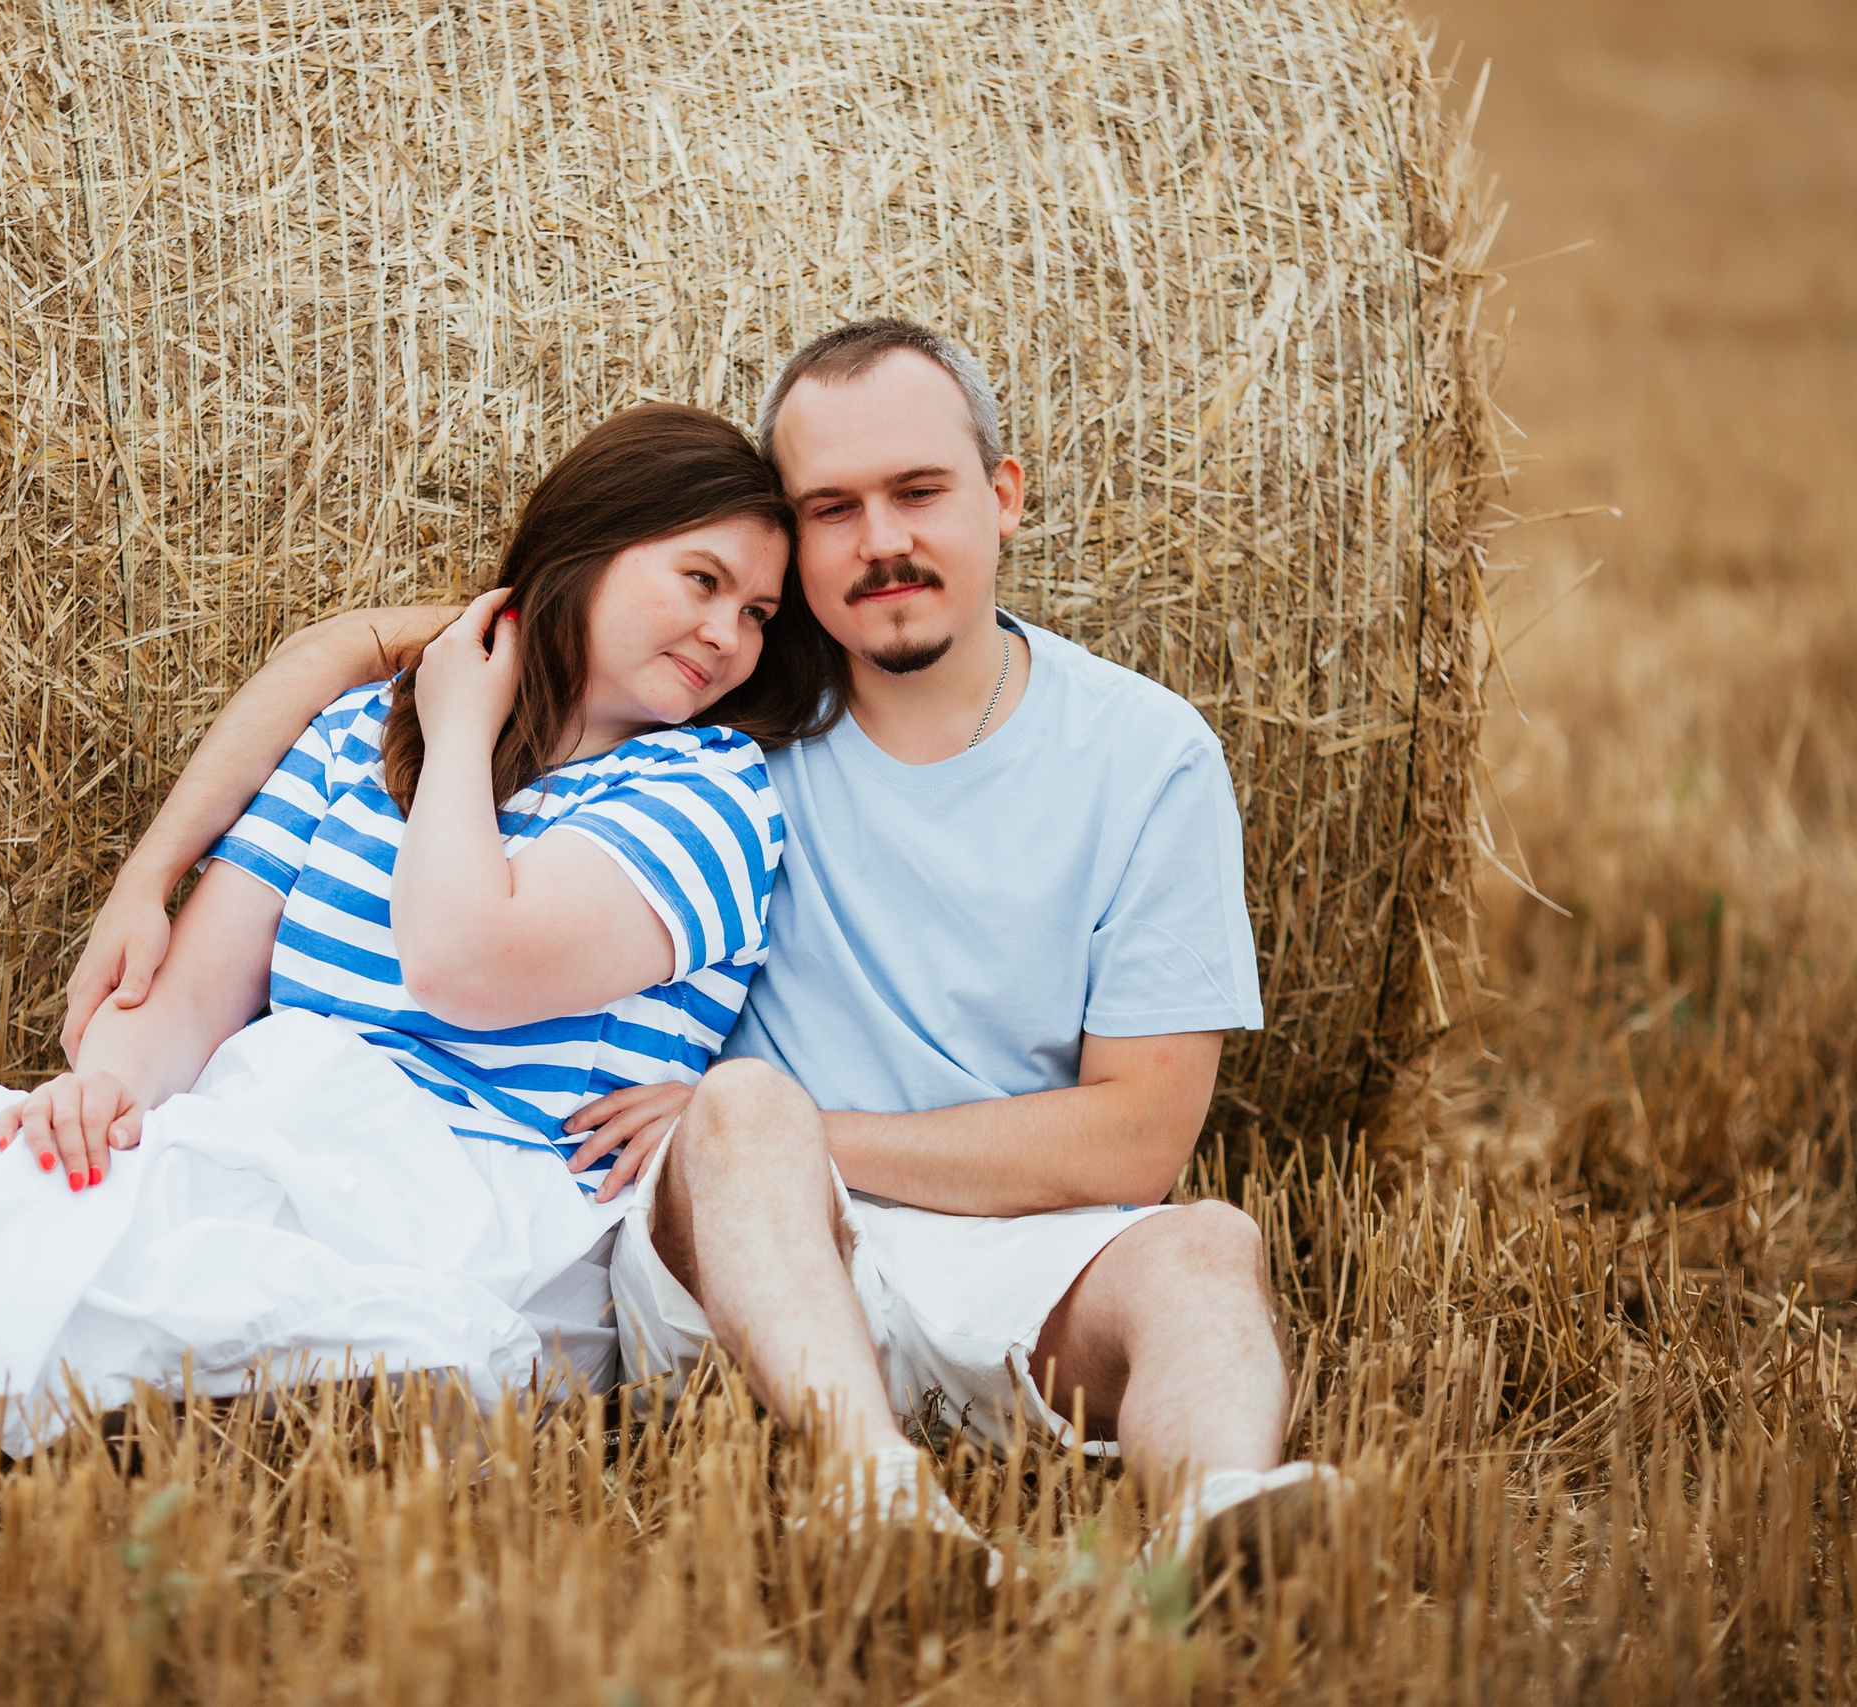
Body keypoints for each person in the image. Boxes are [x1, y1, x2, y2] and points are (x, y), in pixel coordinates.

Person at [0, 402, 837, 1593]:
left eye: (759, 612)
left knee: (65, 1229)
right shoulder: (366, 736)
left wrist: (468, 725)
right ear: (586, 553)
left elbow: (463, 957)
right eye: (701, 579)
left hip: (470, 1208)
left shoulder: (703, 794)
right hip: (268, 1140)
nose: (727, 633)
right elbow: (194, 994)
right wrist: (106, 1085)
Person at [66, 321, 1327, 1558]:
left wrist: (808, 1133)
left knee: (1205, 1245)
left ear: (1002, 497)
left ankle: (1222, 1517)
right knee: (745, 1112)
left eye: (919, 492)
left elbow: (1139, 1137)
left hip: (991, 1246)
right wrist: (152, 875)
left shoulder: (1149, 757)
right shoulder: (729, 716)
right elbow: (365, 647)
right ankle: (875, 1499)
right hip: (730, 1245)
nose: (880, 542)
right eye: (832, 508)